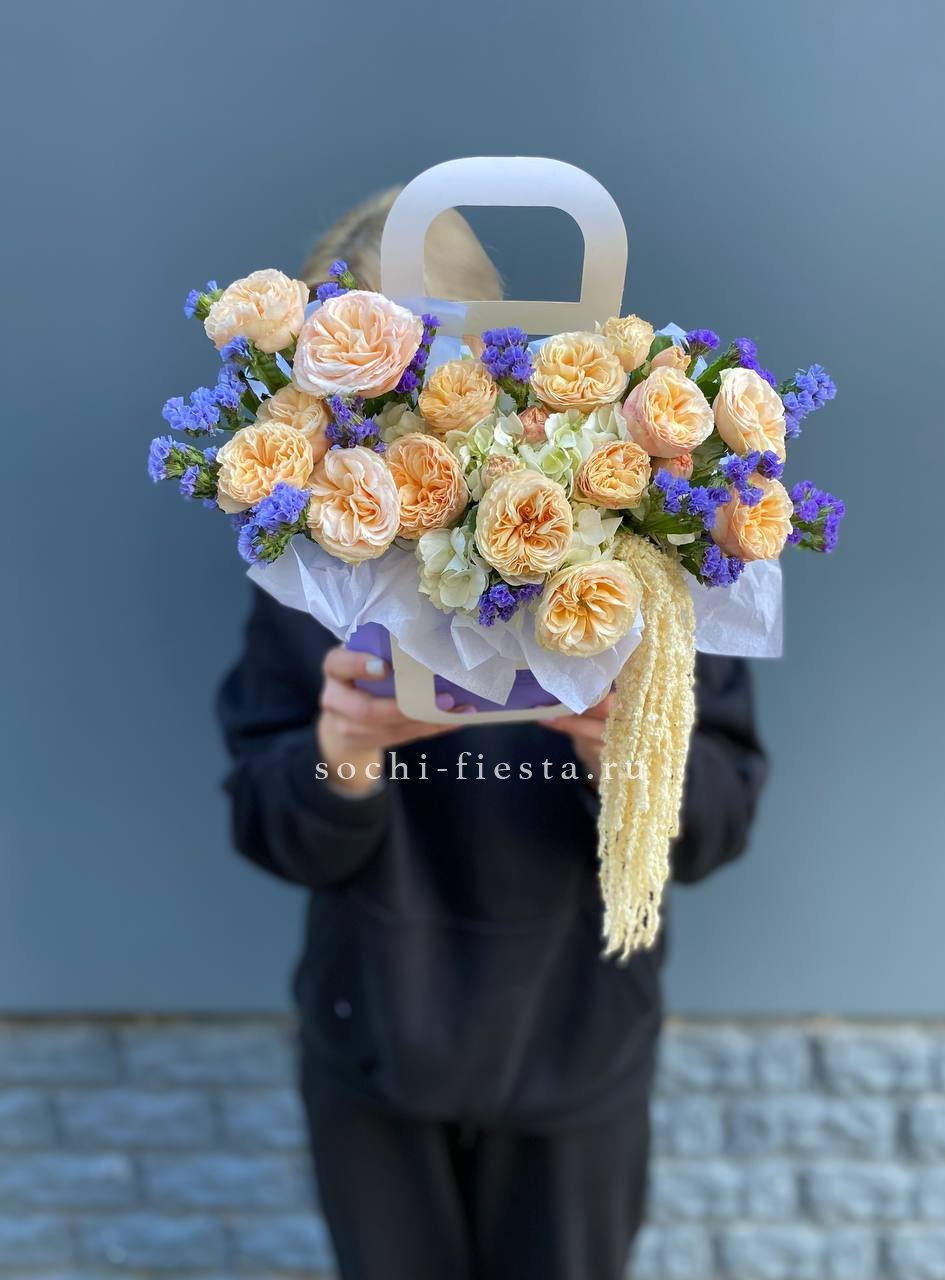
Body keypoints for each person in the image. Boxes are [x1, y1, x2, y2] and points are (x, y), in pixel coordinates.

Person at [217, 190, 768, 1280]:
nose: (391, 421)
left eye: (418, 372)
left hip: (577, 1044)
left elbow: (720, 815)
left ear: (494, 350)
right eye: (354, 390)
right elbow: (267, 821)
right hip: (377, 1038)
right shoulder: (310, 563)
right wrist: (342, 755)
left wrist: (627, 753)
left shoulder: (639, 534)